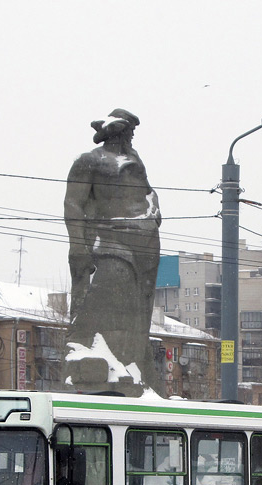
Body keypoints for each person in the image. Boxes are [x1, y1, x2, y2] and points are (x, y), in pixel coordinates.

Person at [63, 109, 162, 390]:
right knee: (111, 294)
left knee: (140, 308)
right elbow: (73, 204)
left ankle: (135, 365)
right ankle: (96, 357)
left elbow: (148, 191)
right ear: (117, 130)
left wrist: (155, 208)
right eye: (130, 129)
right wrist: (78, 244)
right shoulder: (89, 161)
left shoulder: (135, 159)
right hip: (109, 239)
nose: (133, 134)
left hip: (146, 240)